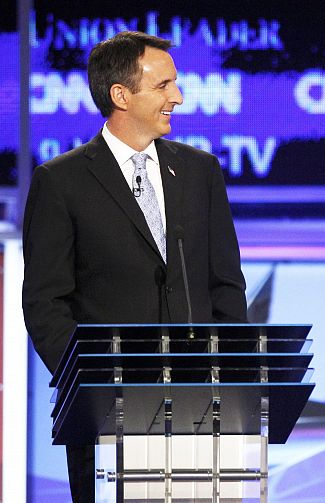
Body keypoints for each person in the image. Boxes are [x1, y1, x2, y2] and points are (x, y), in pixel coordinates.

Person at [22, 31, 247, 502]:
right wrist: (90, 383)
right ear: (121, 95)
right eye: (164, 85)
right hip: (107, 414)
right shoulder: (60, 181)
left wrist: (231, 381)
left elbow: (226, 287)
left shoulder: (200, 172)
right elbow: (45, 303)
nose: (177, 97)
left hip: (198, 409)